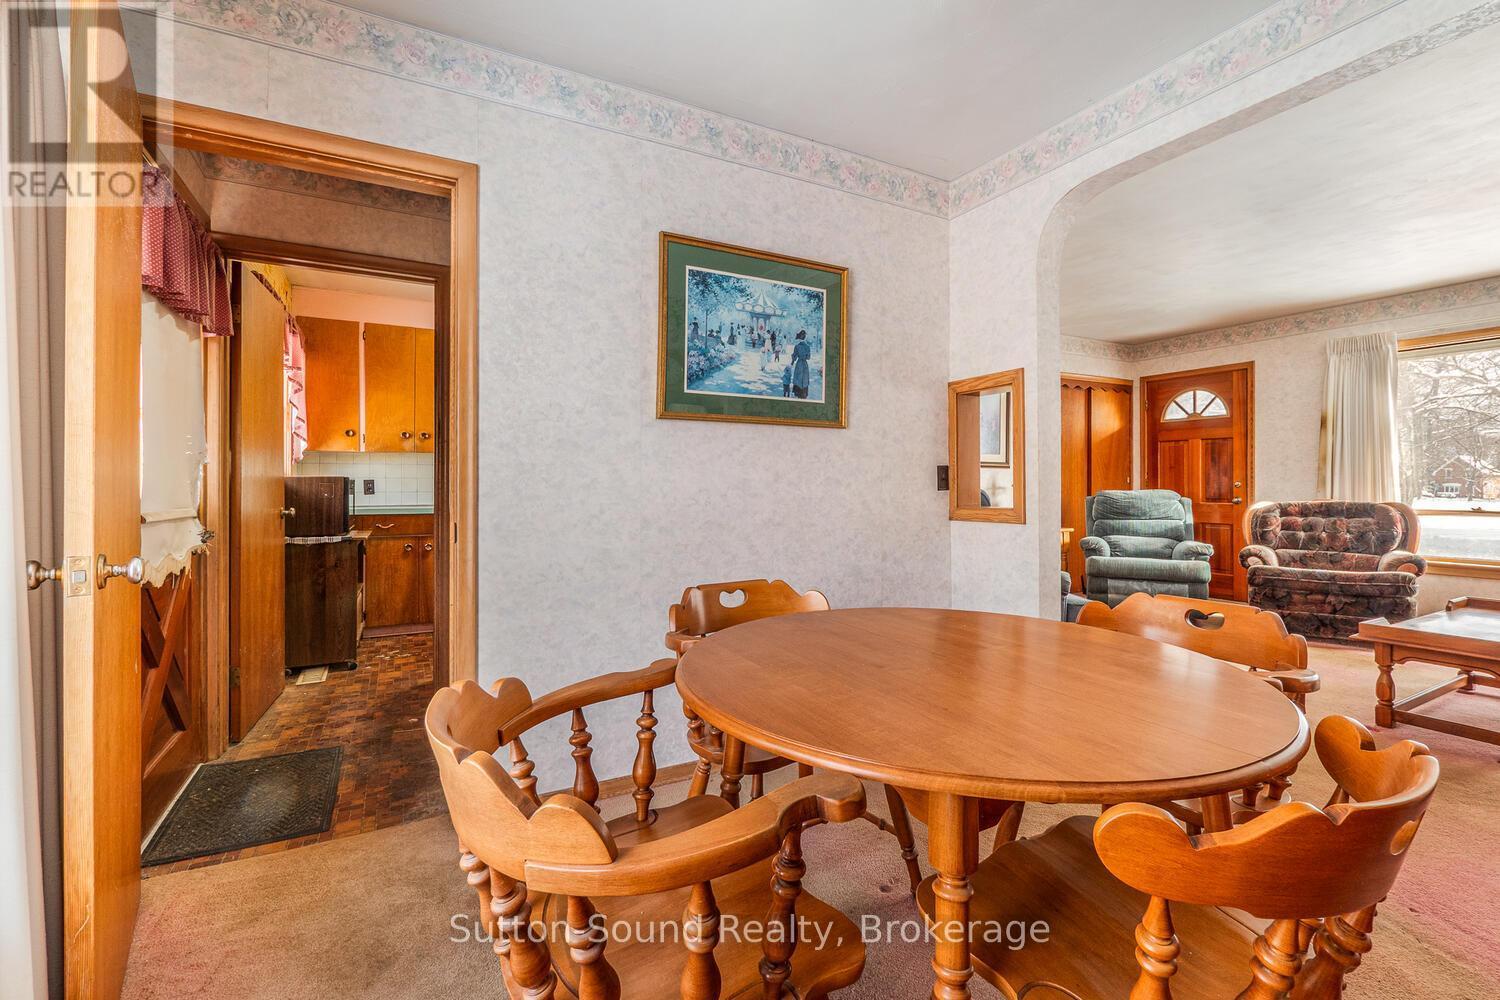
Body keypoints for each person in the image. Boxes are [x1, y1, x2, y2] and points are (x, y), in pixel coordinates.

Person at [790, 329, 812, 399]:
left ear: (799, 338)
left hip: (799, 363)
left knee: (798, 378)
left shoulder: (797, 346)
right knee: (804, 378)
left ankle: (797, 393)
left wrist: (792, 362)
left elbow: (794, 357)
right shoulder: (808, 347)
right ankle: (804, 393)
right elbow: (808, 357)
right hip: (805, 364)